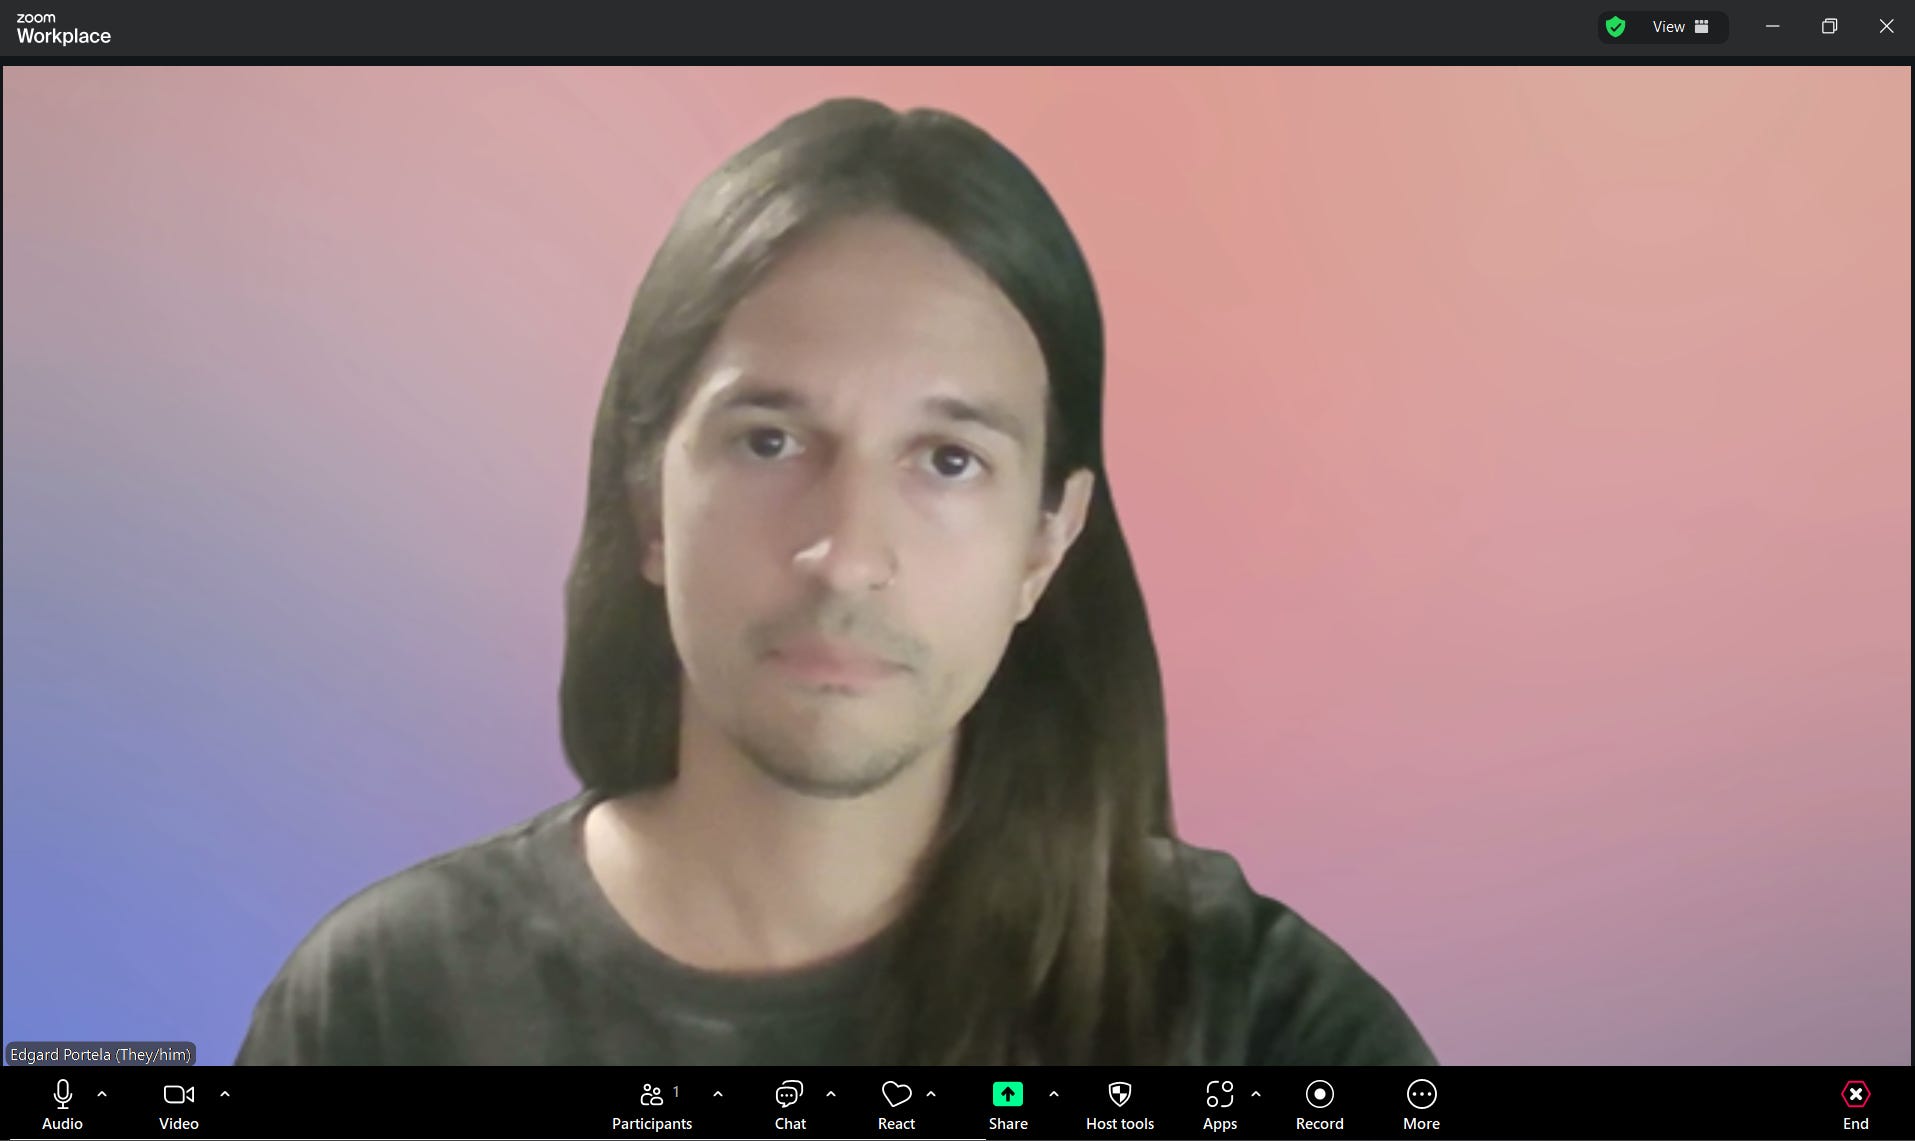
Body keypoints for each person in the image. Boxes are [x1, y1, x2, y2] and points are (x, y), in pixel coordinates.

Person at [236, 97, 1436, 1067]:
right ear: (647, 501)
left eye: (948, 460)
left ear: (1045, 542)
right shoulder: (385, 1003)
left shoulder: (1259, 1022)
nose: (847, 550)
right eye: (769, 440)